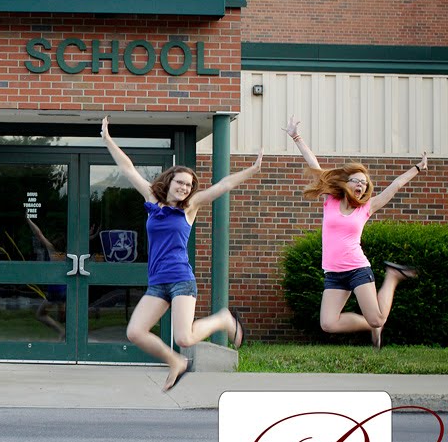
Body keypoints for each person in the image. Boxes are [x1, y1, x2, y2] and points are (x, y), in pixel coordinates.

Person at [101, 116, 261, 391]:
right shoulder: (153, 199)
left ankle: (223, 319)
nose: (185, 188)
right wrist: (108, 140)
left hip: (180, 279)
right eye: (180, 183)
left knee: (185, 338)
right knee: (135, 332)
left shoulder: (190, 207)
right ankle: (175, 361)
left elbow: (222, 186)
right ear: (169, 181)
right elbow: (128, 169)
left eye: (188, 185)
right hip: (157, 281)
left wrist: (252, 170)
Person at [284, 115, 427, 349]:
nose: (361, 185)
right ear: (346, 183)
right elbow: (315, 167)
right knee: (328, 324)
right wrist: (296, 137)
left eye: (364, 183)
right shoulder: (331, 199)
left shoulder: (366, 208)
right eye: (356, 180)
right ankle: (371, 327)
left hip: (358, 269)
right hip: (334, 273)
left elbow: (395, 186)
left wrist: (417, 168)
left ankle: (391, 277)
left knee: (378, 318)